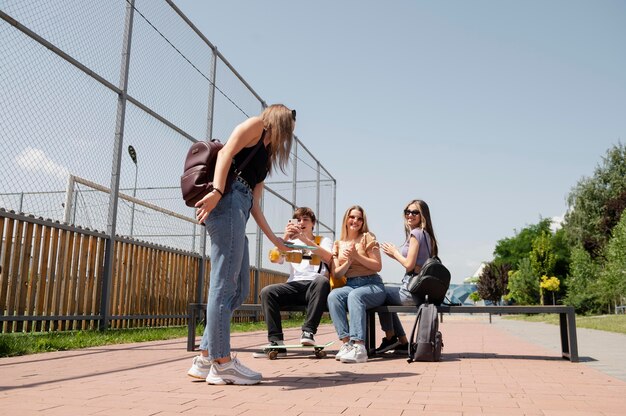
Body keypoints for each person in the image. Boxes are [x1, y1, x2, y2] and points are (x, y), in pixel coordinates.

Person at [187, 104, 295, 385]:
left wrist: (277, 241)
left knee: (239, 289)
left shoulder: (267, 157)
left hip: (240, 208)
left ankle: (204, 357)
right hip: (226, 201)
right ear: (280, 119)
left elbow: (255, 206)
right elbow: (226, 152)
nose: (291, 133)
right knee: (224, 285)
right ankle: (222, 364)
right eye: (290, 125)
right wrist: (217, 191)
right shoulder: (257, 126)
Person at [257, 207, 333, 354]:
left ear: (313, 224)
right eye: (298, 220)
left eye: (305, 219)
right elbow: (274, 258)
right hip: (294, 285)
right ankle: (276, 341)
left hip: (314, 286)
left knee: (322, 281)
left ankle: (308, 332)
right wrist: (285, 237)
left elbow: (329, 257)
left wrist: (304, 240)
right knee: (267, 292)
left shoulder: (323, 240)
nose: (301, 222)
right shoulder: (288, 243)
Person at [376, 199, 439, 354]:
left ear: (423, 215)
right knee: (385, 295)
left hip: (411, 291)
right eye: (407, 212)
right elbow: (419, 265)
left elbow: (409, 265)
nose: (410, 215)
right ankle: (402, 342)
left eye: (415, 212)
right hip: (421, 291)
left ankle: (391, 338)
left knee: (380, 293)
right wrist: (395, 255)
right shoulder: (428, 236)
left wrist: (395, 253)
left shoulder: (416, 233)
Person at [327, 205, 386, 363]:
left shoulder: (367, 237)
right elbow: (337, 273)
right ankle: (347, 344)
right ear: (346, 219)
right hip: (350, 283)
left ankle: (359, 347)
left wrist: (356, 256)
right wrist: (349, 261)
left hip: (372, 284)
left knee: (354, 296)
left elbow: (377, 265)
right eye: (352, 217)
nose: (356, 221)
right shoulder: (338, 244)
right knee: (333, 296)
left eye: (359, 218)